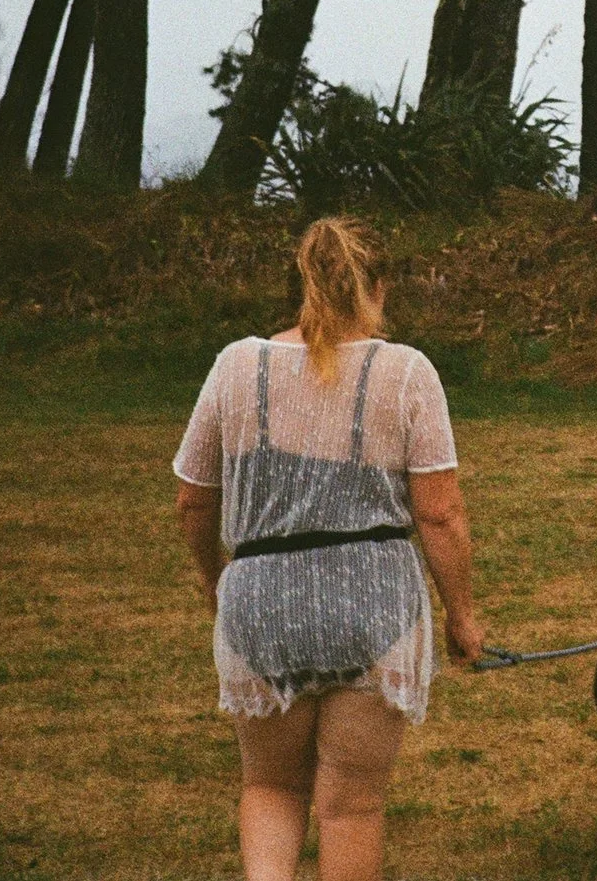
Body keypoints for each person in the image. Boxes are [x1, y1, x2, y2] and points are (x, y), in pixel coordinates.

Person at [174, 216, 484, 881]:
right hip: (373, 609)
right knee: (351, 806)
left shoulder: (236, 365)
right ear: (379, 286)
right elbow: (441, 512)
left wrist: (215, 579)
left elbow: (192, 496)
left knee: (271, 787)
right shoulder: (407, 373)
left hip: (261, 604)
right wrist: (462, 612)